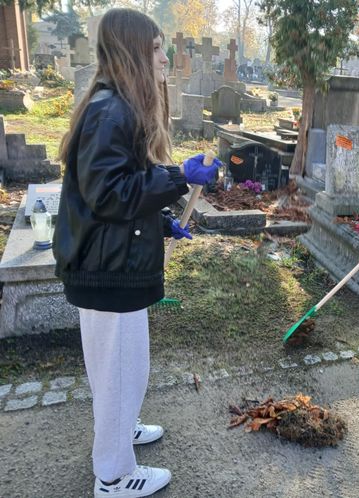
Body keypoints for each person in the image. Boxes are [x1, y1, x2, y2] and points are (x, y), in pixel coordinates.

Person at [53, 9, 220, 497]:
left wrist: (163, 221)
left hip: (112, 261)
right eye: (155, 48)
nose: (164, 58)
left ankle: (119, 431)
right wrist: (177, 177)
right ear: (132, 52)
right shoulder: (113, 110)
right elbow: (109, 193)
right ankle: (113, 475)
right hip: (108, 271)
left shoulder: (115, 106)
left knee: (126, 366)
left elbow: (109, 195)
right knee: (118, 370)